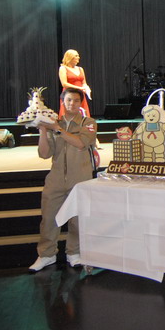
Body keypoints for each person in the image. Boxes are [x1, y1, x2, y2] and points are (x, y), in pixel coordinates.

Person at [30, 88, 97, 272]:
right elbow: (44, 154)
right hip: (56, 179)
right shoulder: (54, 123)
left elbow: (81, 143)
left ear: (81, 103)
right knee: (48, 218)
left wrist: (57, 129)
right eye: (68, 100)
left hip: (80, 178)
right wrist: (43, 130)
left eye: (76, 100)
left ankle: (74, 253)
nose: (72, 104)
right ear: (62, 102)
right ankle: (46, 254)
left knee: (77, 219)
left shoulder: (88, 123)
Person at [58, 49, 91, 117]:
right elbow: (64, 84)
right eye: (76, 56)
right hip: (69, 94)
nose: (78, 57)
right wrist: (79, 88)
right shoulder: (63, 68)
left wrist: (86, 88)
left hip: (80, 94)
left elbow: (84, 82)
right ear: (70, 57)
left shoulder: (80, 69)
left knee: (82, 112)